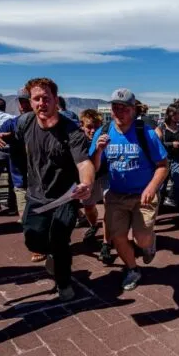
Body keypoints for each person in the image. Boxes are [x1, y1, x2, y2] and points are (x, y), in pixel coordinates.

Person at [0, 78, 94, 300]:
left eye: (46, 98)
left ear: (55, 101)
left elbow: (84, 163)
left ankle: (64, 282)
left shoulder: (72, 131)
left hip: (65, 196)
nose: (42, 103)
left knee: (60, 240)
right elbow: (2, 141)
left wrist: (86, 184)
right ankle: (50, 253)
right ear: (30, 102)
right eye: (36, 99)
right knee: (33, 239)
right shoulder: (24, 123)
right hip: (36, 195)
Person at [91, 89, 168, 290]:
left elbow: (163, 165)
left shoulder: (145, 132)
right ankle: (132, 269)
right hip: (116, 195)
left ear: (133, 110)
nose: (118, 112)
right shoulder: (104, 132)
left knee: (141, 240)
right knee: (117, 237)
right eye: (115, 107)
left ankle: (149, 242)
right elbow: (94, 167)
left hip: (143, 195)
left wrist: (152, 187)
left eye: (123, 108)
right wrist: (98, 151)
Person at [0, 96, 32, 225]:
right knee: (27, 223)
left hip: (41, 181)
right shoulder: (11, 123)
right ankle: (12, 206)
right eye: (21, 102)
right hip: (21, 180)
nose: (23, 106)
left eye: (26, 102)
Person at [77, 109, 113, 263]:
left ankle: (106, 244)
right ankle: (93, 225)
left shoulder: (105, 137)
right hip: (88, 179)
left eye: (96, 127)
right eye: (89, 127)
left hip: (105, 175)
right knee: (89, 208)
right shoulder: (77, 141)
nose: (93, 131)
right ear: (82, 126)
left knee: (109, 207)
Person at [155, 105, 179, 217]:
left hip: (176, 160)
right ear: (169, 115)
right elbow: (157, 144)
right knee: (161, 187)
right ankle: (155, 211)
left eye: (178, 114)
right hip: (163, 160)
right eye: (175, 114)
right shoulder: (161, 127)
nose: (177, 116)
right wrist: (171, 144)